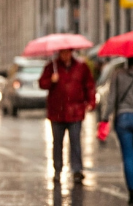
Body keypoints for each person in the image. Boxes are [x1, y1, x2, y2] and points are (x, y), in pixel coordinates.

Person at [99, 57, 133, 204]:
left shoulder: (118, 74)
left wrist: (105, 118)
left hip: (123, 119)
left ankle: (132, 192)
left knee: (128, 156)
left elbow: (111, 99)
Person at [38, 48, 96, 184]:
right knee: (57, 143)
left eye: (68, 52)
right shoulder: (51, 67)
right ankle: (57, 170)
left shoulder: (81, 67)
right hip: (56, 112)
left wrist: (90, 102)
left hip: (75, 111)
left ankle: (77, 170)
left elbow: (89, 85)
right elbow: (42, 83)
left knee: (75, 141)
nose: (65, 55)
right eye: (63, 52)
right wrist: (51, 80)